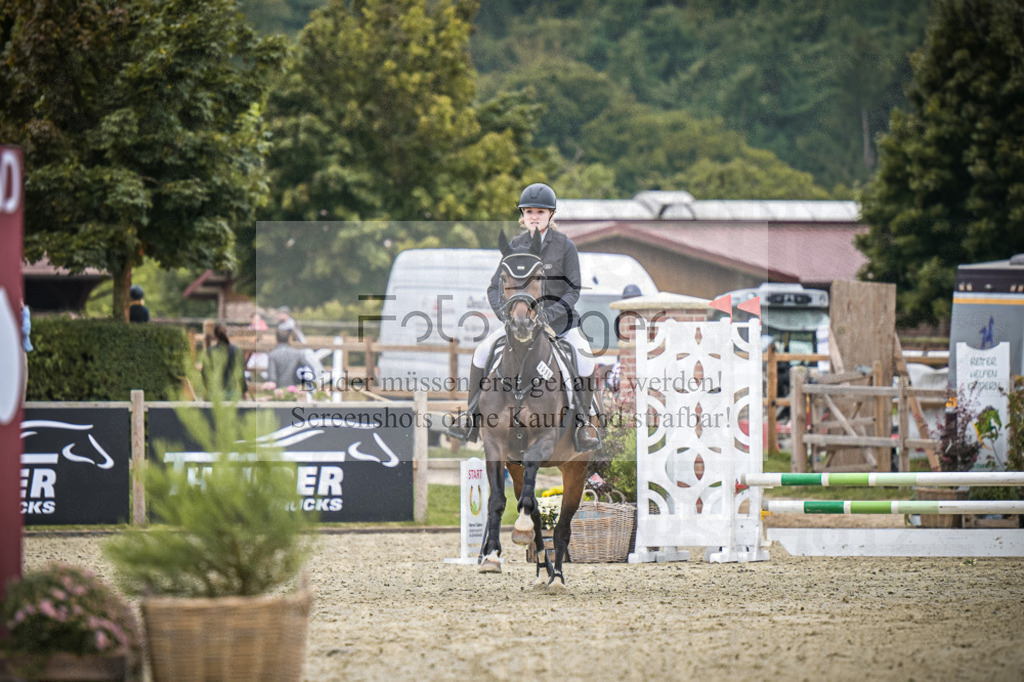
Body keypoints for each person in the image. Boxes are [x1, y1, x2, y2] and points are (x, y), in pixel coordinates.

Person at [446, 182, 601, 451]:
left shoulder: (565, 247)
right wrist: (505, 316)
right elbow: (495, 287)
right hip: (518, 325)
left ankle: (583, 425)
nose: (534, 216)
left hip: (561, 325)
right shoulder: (514, 246)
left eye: (540, 212)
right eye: (529, 211)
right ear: (523, 215)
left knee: (585, 359)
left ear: (551, 214)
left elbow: (573, 289)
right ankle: (470, 418)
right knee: (481, 352)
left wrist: (547, 315)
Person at [262, 327, 323, 394]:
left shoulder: (272, 354)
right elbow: (310, 369)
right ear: (289, 339)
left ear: (276, 339)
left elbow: (272, 377)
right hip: (295, 390)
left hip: (279, 391)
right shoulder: (297, 354)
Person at [202, 323, 247, 400]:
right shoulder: (236, 351)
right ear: (227, 335)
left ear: (215, 336)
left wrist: (207, 390)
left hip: (214, 394)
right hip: (231, 393)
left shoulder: (209, 352)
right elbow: (240, 374)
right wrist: (244, 391)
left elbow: (204, 374)